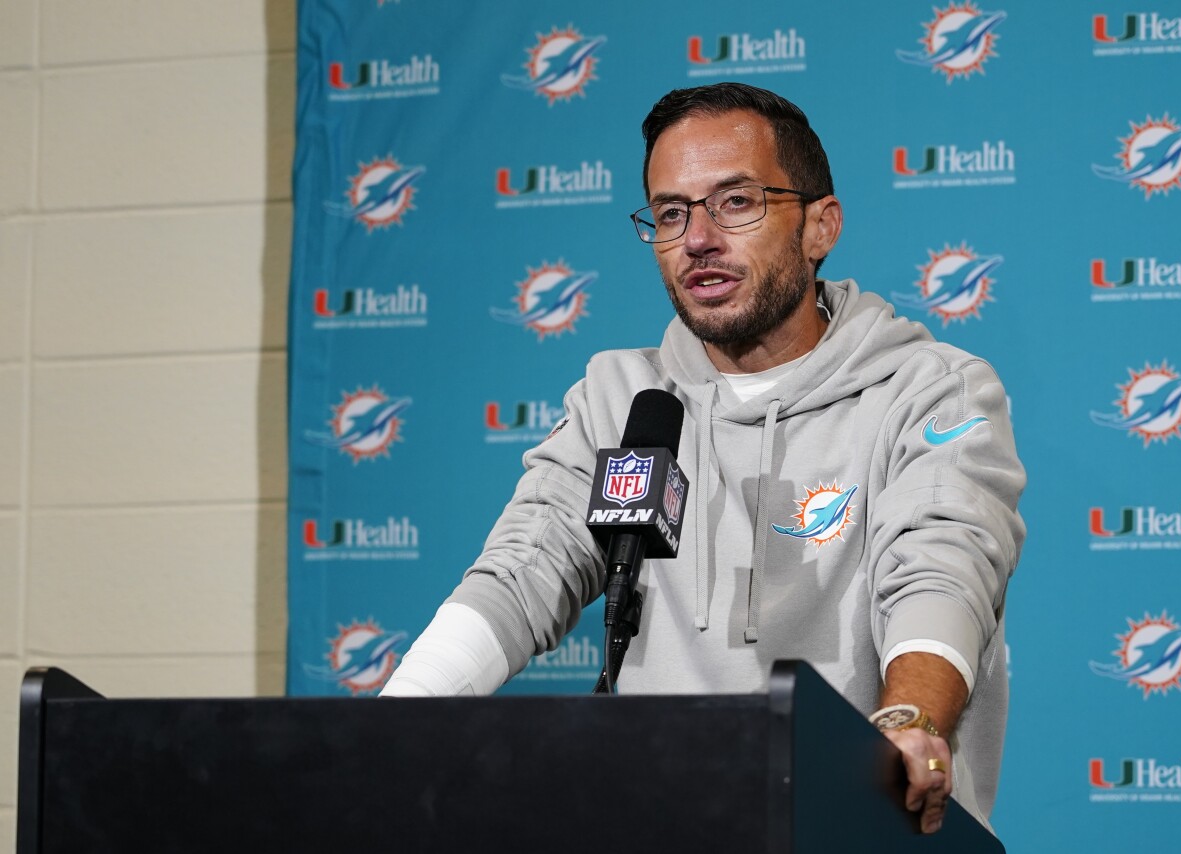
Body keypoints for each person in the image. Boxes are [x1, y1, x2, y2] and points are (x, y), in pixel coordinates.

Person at [382, 82, 1026, 834]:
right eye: (671, 212)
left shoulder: (931, 390)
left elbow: (942, 565)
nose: (697, 238)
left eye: (737, 202)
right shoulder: (622, 398)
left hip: (864, 825)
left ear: (821, 227)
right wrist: (384, 735)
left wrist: (906, 725)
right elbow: (526, 569)